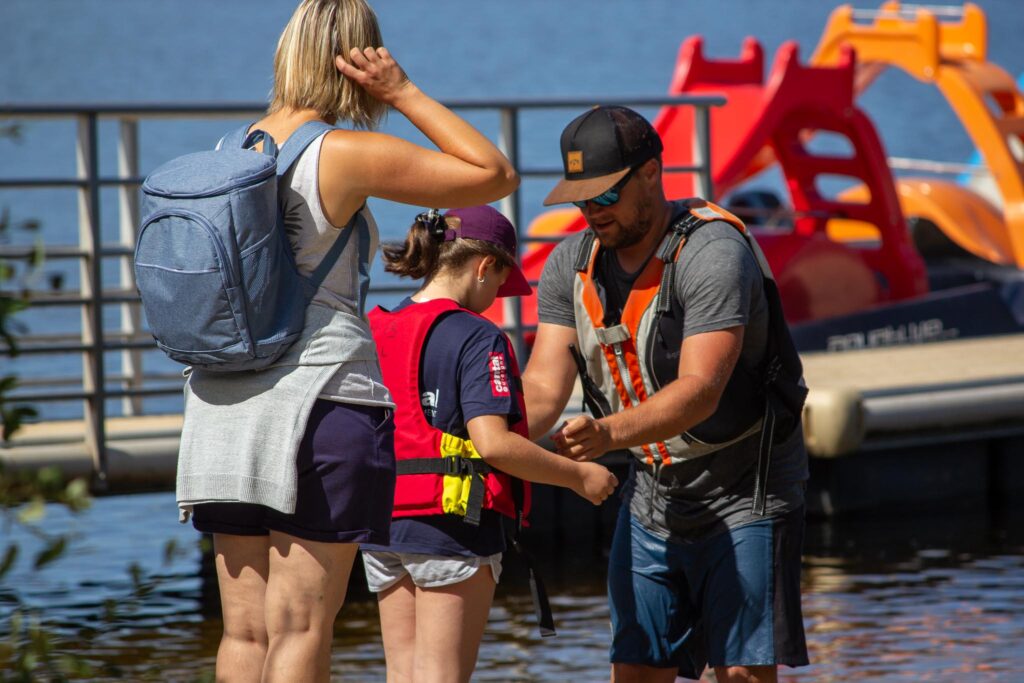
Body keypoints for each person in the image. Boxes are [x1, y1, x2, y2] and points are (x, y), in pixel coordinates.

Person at [174, 2, 520, 681]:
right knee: (301, 621)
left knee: (244, 632)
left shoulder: (227, 154)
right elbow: (493, 174)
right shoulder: (340, 153)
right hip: (320, 405)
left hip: (220, 411)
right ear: (359, 63)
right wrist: (404, 91)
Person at [521, 105, 810, 683]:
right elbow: (543, 387)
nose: (591, 213)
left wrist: (606, 434)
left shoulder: (712, 253)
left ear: (651, 173)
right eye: (580, 200)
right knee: (634, 670)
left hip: (745, 491)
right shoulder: (567, 266)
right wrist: (479, 428)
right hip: (653, 494)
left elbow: (700, 391)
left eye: (605, 196)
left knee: (741, 674)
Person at [361, 205, 619, 683]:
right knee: (442, 675)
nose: (499, 295)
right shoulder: (479, 337)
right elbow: (494, 445)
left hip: (383, 526)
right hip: (451, 528)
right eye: (501, 283)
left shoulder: (378, 327)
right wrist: (580, 476)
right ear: (484, 266)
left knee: (404, 675)